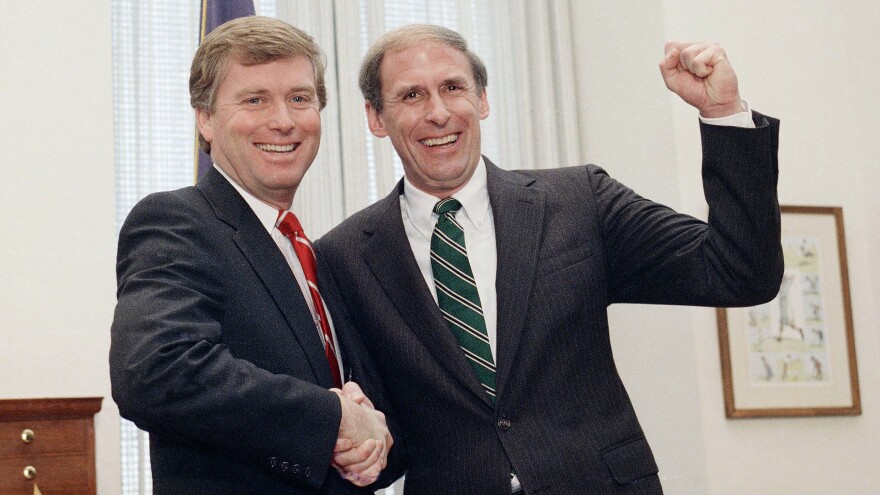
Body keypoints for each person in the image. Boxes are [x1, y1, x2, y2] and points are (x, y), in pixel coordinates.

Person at [315, 23, 782, 494]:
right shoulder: (343, 256)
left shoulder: (581, 201)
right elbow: (382, 432)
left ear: (482, 99)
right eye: (411, 95)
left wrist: (722, 112)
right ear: (376, 117)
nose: (438, 113)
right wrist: (359, 446)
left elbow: (739, 273)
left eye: (453, 87)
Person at [110, 16, 398, 494]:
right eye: (254, 100)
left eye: (300, 98)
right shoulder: (177, 220)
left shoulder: (313, 253)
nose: (283, 120)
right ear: (205, 117)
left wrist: (373, 439)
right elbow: (156, 370)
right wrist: (332, 420)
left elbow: (357, 406)